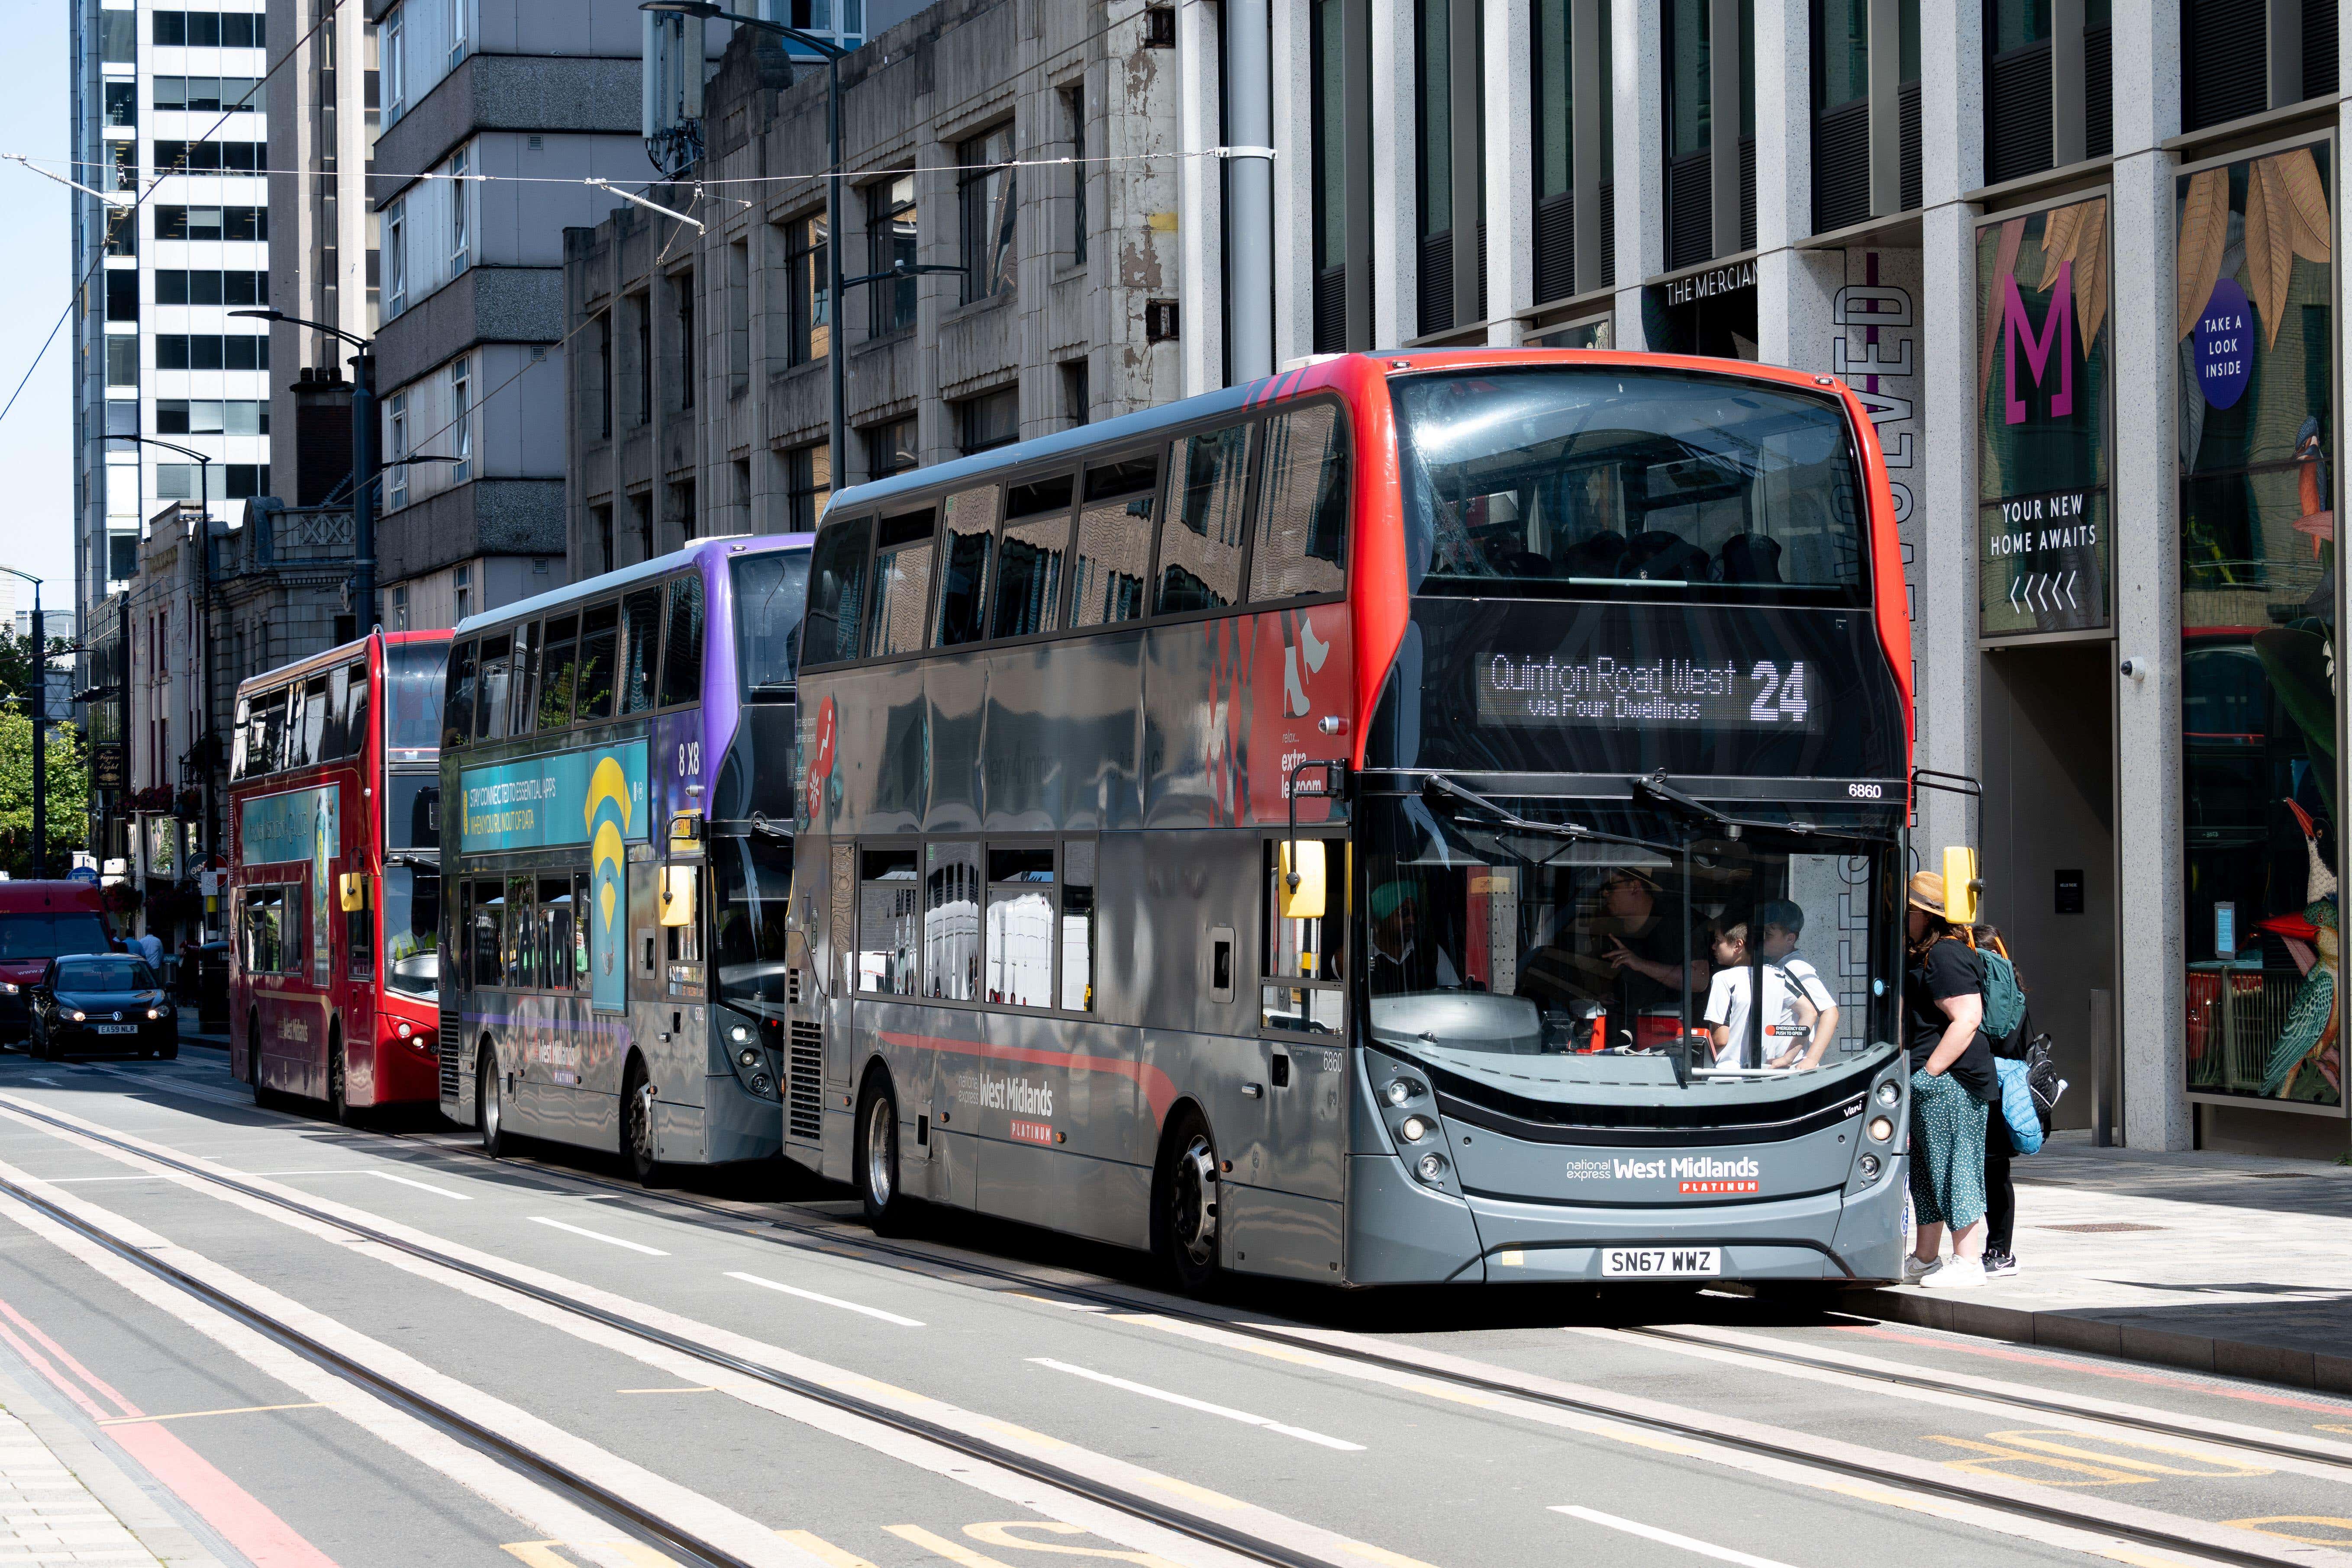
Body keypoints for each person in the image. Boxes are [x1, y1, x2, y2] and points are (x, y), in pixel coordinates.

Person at [1902, 871, 1999, 1289]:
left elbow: (1967, 1018)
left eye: (1909, 911)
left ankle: (1968, 1260)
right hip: (1936, 1079)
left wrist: (1928, 1074)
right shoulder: (1929, 954)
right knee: (1927, 1171)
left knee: (1954, 1167)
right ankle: (1926, 1258)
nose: (1904, 918)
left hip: (1951, 1081)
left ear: (1927, 916)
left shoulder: (1944, 955)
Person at [1520, 867, 1709, 1048]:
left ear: (1635, 886)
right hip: (1620, 1037)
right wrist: (1601, 994)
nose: (1604, 895)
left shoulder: (1678, 923)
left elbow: (1698, 980)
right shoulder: (1609, 926)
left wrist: (1640, 964)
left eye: (1610, 888)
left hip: (1670, 1039)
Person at [1971, 922, 2022, 1279]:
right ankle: (1999, 1250)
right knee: (1996, 1171)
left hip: (1977, 1080)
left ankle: (1992, 1250)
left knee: (1986, 1170)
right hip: (2004, 1087)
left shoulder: (1984, 984)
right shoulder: (2013, 988)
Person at [1755, 901, 1840, 1069]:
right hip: (1779, 1067)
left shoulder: (1795, 967)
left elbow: (1830, 1012)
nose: (1762, 939)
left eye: (1768, 934)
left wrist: (1810, 1060)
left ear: (1790, 939)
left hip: (1792, 1069)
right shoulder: (1778, 966)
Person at [1365, 881, 1461, 993]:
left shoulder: (1431, 951)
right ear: (1383, 918)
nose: (1412, 921)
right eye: (1404, 913)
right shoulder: (1364, 956)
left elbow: (1456, 996)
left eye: (1414, 913)